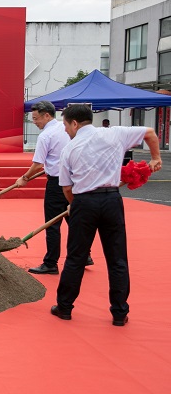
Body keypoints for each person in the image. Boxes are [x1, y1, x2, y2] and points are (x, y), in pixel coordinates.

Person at [51, 104, 161, 326]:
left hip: (84, 203)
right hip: (111, 200)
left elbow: (66, 188)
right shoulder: (115, 134)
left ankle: (64, 307)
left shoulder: (69, 149)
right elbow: (150, 132)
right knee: (117, 259)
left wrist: (75, 205)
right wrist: (155, 158)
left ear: (74, 123)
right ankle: (119, 312)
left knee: (76, 258)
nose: (65, 130)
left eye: (65, 125)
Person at [16, 101, 92, 274]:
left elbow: (37, 164)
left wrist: (25, 178)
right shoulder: (66, 128)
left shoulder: (45, 136)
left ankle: (50, 263)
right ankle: (85, 255)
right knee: (74, 220)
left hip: (57, 184)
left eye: (36, 118)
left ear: (47, 115)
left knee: (52, 225)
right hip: (74, 181)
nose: (34, 122)